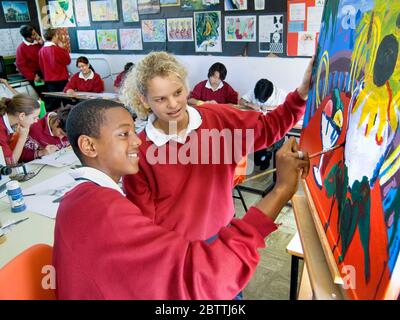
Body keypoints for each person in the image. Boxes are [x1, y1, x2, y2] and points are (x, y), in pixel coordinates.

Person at [53, 98, 310, 299]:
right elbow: (210, 276)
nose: (137, 142)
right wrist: (281, 190)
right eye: (123, 134)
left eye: (134, 131)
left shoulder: (75, 199)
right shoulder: (108, 212)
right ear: (89, 146)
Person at [120, 51, 313, 245]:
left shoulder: (218, 118)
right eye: (160, 99)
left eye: (178, 92)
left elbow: (269, 126)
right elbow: (144, 224)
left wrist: (302, 93)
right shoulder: (139, 152)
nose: (173, 104)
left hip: (223, 234)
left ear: (186, 88)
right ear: (144, 100)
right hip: (177, 250)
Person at [239, 79, 288, 170]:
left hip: (273, 127)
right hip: (258, 125)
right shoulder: (256, 90)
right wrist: (249, 104)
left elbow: (287, 107)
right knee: (251, 137)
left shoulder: (279, 94)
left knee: (267, 142)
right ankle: (261, 157)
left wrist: (270, 108)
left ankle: (266, 156)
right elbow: (241, 101)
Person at [0, 94, 40, 165]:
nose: (36, 121)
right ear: (22, 116)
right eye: (34, 117)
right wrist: (22, 138)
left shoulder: (8, 122)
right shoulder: (1, 130)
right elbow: (11, 163)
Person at [38, 28, 71, 111]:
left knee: (54, 102)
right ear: (54, 36)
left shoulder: (41, 50)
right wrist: (63, 49)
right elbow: (67, 61)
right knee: (66, 101)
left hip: (49, 81)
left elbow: (41, 66)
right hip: (61, 80)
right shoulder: (57, 49)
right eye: (57, 35)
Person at [15, 25, 44, 97]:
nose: (37, 35)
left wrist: (43, 44)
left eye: (35, 32)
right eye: (34, 34)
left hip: (44, 71)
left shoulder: (39, 42)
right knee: (44, 95)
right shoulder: (21, 48)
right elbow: (21, 66)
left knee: (51, 94)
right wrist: (33, 76)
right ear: (28, 37)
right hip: (35, 75)